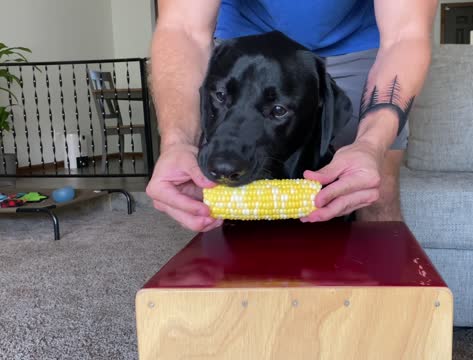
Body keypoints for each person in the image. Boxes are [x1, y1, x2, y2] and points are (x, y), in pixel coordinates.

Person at [146, 0, 438, 232]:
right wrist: (177, 143)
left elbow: (405, 35)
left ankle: (380, 301)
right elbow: (182, 28)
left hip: (358, 40)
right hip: (246, 40)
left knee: (374, 188)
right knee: (223, 193)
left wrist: (371, 145)